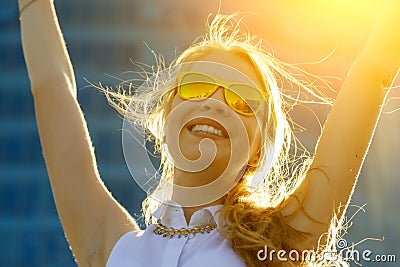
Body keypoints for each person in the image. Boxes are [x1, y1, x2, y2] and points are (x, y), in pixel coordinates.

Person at [18, 0, 400, 266]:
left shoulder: (287, 239)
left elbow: (372, 72)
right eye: (197, 86)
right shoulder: (110, 246)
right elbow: (53, 88)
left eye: (242, 99)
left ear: (256, 149)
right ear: (164, 119)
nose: (216, 101)